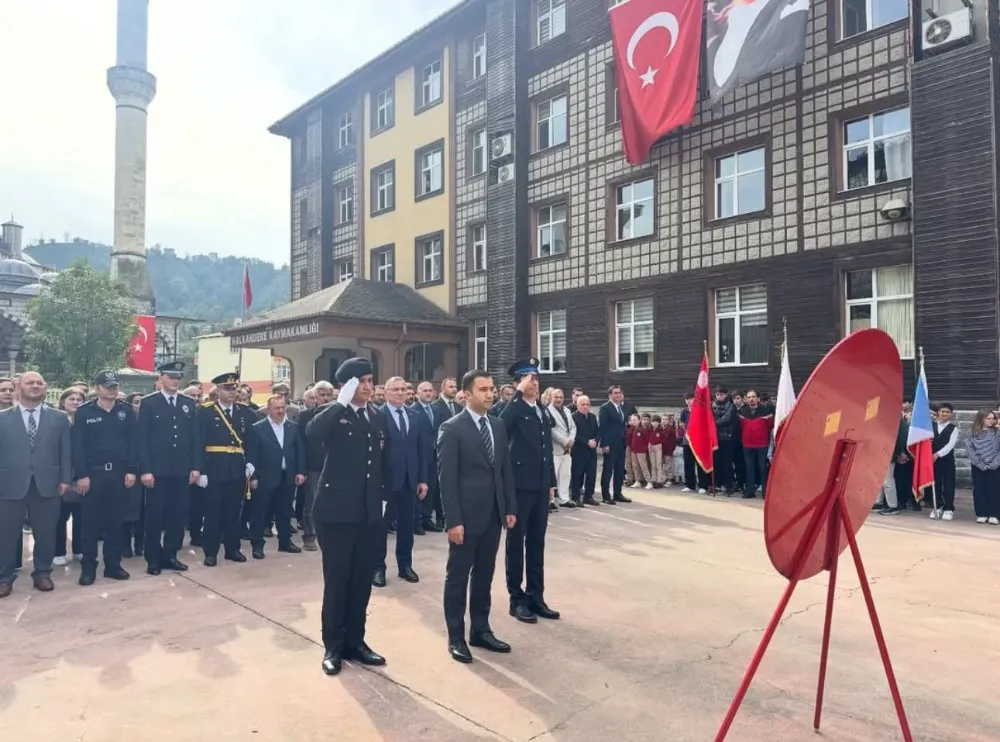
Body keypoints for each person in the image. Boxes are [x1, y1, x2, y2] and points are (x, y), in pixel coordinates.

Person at [307, 357, 387, 676]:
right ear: (348, 385)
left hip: (366, 514)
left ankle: (357, 641)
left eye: (370, 381)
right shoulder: (333, 415)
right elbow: (313, 434)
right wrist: (339, 403)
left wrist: (382, 500)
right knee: (337, 582)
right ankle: (333, 646)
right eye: (362, 381)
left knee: (360, 583)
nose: (369, 387)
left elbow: (380, 463)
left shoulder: (374, 417)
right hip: (336, 514)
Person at [439, 369, 517, 663]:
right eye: (483, 389)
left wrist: (509, 507)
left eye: (492, 389)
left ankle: (480, 630)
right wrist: (453, 521)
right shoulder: (452, 428)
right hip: (466, 518)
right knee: (458, 577)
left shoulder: (497, 426)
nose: (490, 394)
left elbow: (504, 470)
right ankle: (456, 636)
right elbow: (447, 480)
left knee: (484, 575)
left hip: (493, 515)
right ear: (466, 394)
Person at [0, 371, 73, 598]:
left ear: (45, 387)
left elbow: (66, 451)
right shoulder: (3, 418)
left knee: (46, 532)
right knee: (6, 534)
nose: (35, 386)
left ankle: (42, 572)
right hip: (9, 484)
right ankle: (4, 577)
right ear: (18, 387)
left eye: (39, 382)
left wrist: (65, 479)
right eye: (29, 382)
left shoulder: (59, 418)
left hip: (48, 483)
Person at [499, 358, 560, 624]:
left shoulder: (541, 410)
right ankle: (517, 599)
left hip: (539, 487)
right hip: (519, 487)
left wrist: (550, 483)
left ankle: (536, 596)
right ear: (517, 383)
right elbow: (500, 426)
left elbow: (546, 450)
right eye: (528, 378)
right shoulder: (512, 409)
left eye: (536, 377)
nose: (534, 382)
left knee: (537, 542)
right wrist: (517, 395)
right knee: (516, 544)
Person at [71, 370, 137, 586]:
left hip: (119, 474)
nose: (112, 389)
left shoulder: (126, 411)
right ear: (97, 388)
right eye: (107, 386)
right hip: (93, 475)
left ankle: (113, 565)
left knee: (115, 523)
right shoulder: (84, 412)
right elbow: (77, 447)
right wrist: (82, 475)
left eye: (115, 386)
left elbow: (132, 443)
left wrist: (131, 470)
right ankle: (88, 568)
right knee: (90, 524)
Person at [138, 361, 201, 576]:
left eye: (178, 377)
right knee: (154, 517)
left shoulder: (188, 403)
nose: (175, 381)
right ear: (161, 378)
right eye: (171, 377)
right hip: (157, 470)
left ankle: (171, 555)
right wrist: (145, 470)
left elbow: (195, 439)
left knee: (177, 515)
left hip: (181, 470)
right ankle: (153, 559)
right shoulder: (149, 403)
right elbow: (142, 440)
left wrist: (196, 466)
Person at [197, 372, 257, 566]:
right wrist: (201, 470)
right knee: (213, 512)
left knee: (233, 512)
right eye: (228, 389)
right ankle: (211, 552)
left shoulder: (244, 412)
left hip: (237, 468)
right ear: (218, 390)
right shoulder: (206, 412)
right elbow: (198, 442)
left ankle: (233, 549)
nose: (232, 393)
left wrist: (251, 462)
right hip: (214, 467)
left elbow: (253, 441)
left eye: (234, 389)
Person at [373, 376, 428, 588]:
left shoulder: (415, 416)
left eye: (403, 389)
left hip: (409, 481)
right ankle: (378, 568)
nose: (399, 393)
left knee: (407, 526)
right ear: (385, 392)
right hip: (385, 482)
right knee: (380, 528)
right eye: (394, 389)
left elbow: (421, 450)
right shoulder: (377, 415)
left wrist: (422, 479)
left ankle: (405, 565)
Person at [247, 394, 307, 558]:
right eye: (276, 408)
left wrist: (301, 471)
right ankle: (257, 545)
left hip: (287, 476)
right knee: (260, 512)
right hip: (264, 477)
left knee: (285, 511)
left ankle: (285, 542)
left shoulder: (293, 427)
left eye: (283, 407)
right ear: (269, 409)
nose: (280, 411)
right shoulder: (257, 428)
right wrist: (253, 477)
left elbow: (299, 451)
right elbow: (252, 455)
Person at [296, 380, 334, 551]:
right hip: (313, 466)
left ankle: (330, 534)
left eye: (328, 395)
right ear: (315, 396)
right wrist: (301, 469)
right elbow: (300, 445)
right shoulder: (305, 417)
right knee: (311, 501)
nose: (325, 398)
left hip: (335, 465)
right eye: (322, 395)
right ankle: (309, 536)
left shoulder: (340, 414)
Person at [598, 386, 629, 504]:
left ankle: (618, 493)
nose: (618, 395)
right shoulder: (605, 408)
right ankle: (606, 495)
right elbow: (603, 427)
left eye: (619, 393)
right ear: (610, 395)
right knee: (608, 470)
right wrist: (604, 444)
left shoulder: (620, 408)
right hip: (610, 444)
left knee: (620, 470)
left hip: (620, 443)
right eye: (615, 393)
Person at [570, 395, 600, 506]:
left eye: (587, 404)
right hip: (579, 450)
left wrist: (596, 440)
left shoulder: (592, 417)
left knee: (591, 474)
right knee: (577, 474)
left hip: (591, 451)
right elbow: (574, 434)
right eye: (582, 404)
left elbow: (598, 431)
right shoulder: (573, 417)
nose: (585, 407)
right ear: (577, 405)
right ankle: (575, 497)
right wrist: (587, 441)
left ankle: (588, 496)